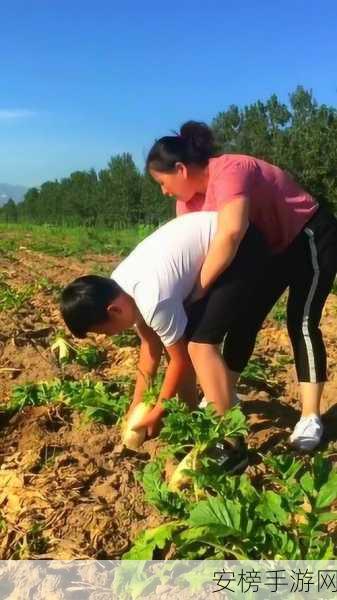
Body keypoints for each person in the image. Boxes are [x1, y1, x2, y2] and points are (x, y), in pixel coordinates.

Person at [146, 121, 337, 451]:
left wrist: (200, 290)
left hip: (309, 236)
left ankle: (310, 417)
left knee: (302, 322)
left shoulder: (231, 170)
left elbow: (231, 234)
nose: (164, 191)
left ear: (180, 169)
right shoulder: (187, 203)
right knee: (243, 321)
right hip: (270, 250)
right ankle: (223, 394)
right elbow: (196, 253)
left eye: (162, 182)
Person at [60, 211, 269, 471]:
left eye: (103, 332)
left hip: (241, 247)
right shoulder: (121, 287)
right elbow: (149, 350)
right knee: (188, 346)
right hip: (218, 245)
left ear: (114, 311)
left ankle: (230, 443)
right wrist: (136, 406)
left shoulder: (152, 299)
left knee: (199, 346)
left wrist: (159, 410)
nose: (108, 337)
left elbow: (179, 361)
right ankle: (196, 423)